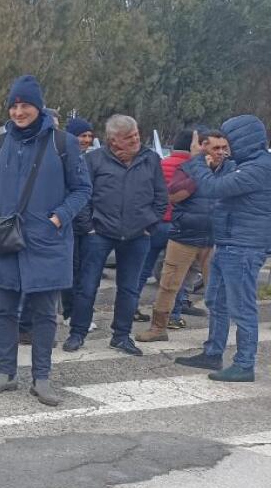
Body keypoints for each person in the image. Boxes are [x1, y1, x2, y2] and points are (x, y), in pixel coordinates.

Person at [0, 75, 91, 406]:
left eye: (25, 105)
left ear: (37, 106)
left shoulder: (63, 143)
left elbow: (83, 189)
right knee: (2, 310)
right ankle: (6, 373)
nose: (18, 111)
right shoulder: (0, 145)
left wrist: (59, 217)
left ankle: (42, 378)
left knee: (44, 314)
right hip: (6, 240)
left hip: (48, 241)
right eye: (13, 105)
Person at [174, 114, 271, 382]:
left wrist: (196, 159)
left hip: (243, 247)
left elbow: (212, 188)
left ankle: (244, 364)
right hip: (228, 242)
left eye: (229, 141)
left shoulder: (259, 168)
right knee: (216, 300)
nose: (226, 147)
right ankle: (213, 352)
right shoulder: (244, 163)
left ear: (243, 139)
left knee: (242, 308)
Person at [63, 114, 168, 357]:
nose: (135, 139)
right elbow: (81, 195)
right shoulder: (94, 160)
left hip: (138, 235)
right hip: (99, 233)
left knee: (129, 289)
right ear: (113, 141)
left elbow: (161, 197)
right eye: (128, 137)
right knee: (87, 286)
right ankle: (77, 333)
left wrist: (149, 225)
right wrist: (88, 226)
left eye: (136, 134)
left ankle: (121, 336)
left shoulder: (151, 159)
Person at [135, 127, 204, 338]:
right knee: (178, 275)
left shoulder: (161, 164)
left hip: (156, 224)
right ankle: (174, 316)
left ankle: (131, 308)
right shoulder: (193, 169)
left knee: (142, 270)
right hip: (180, 227)